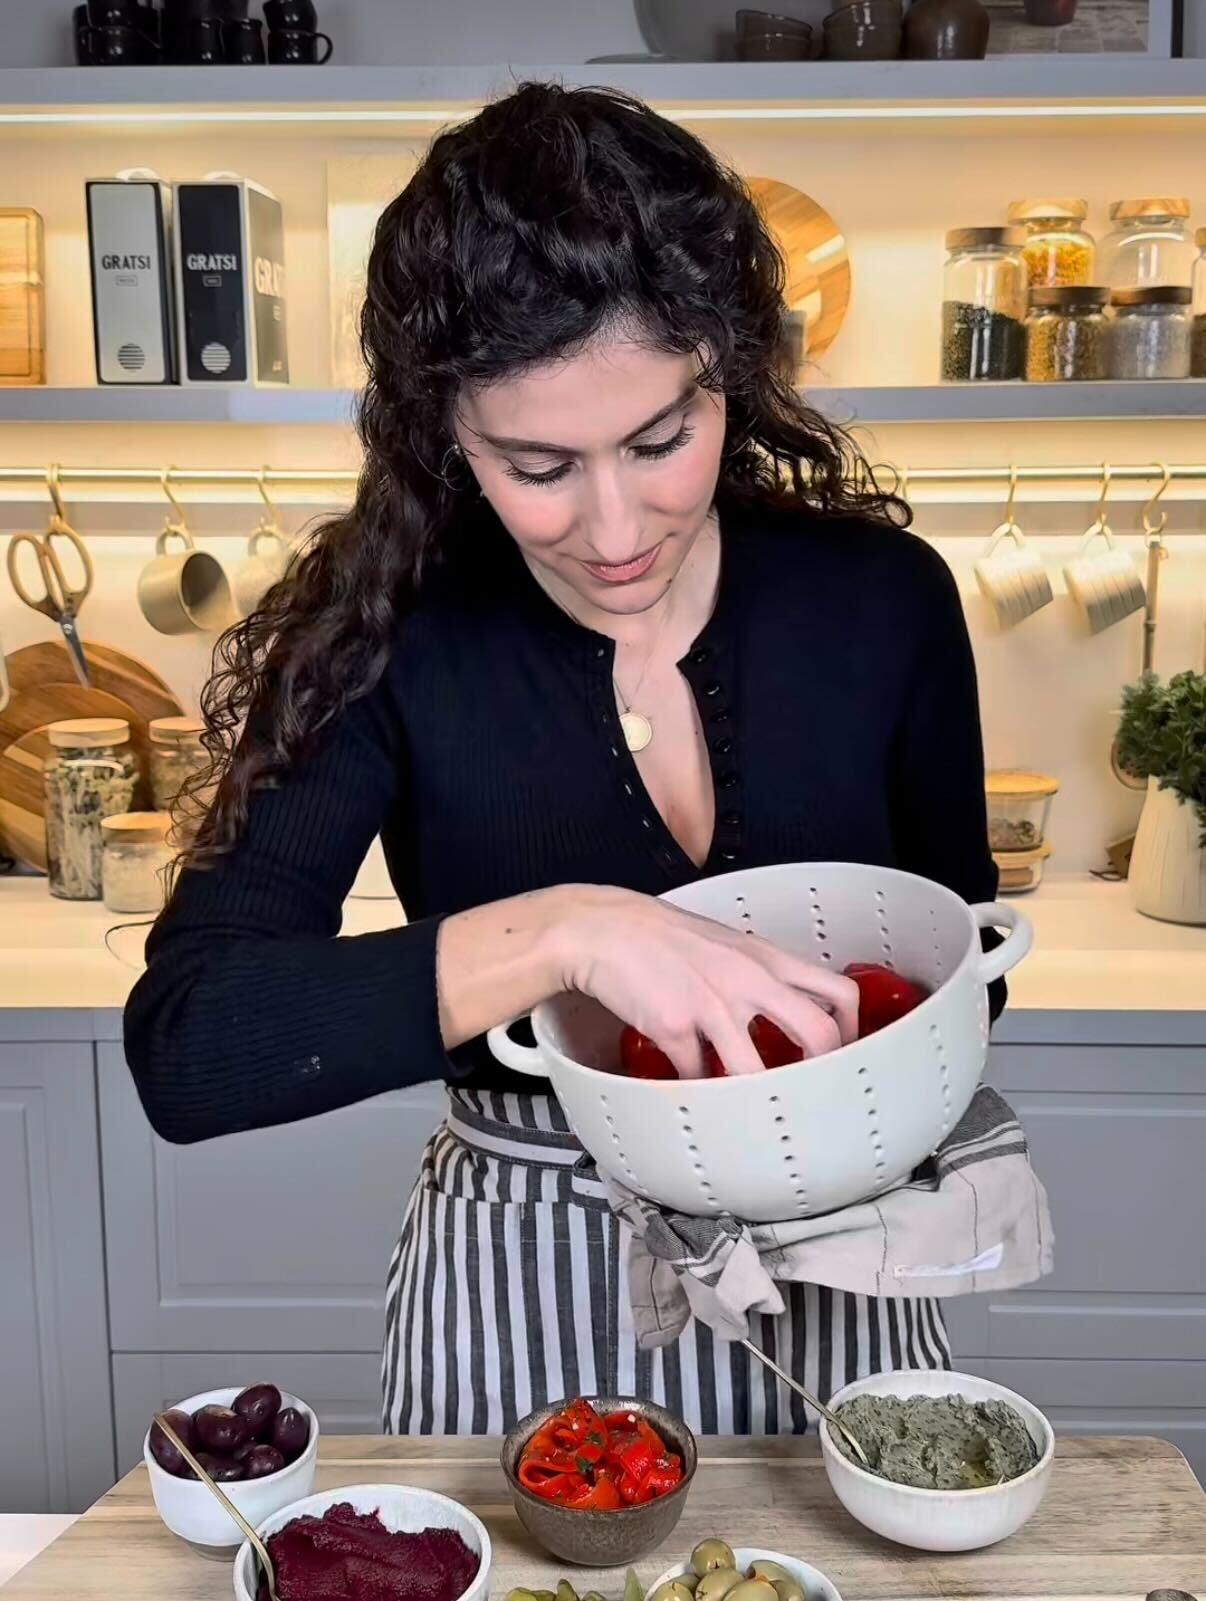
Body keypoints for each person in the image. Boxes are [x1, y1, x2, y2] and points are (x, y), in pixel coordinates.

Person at [125, 81, 1001, 1437]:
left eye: (659, 441)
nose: (611, 529)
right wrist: (568, 934)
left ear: (730, 371)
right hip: (522, 1278)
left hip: (846, 1257)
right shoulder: (385, 637)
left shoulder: (883, 601)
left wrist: (819, 1109)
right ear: (445, 438)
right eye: (537, 464)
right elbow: (191, 1048)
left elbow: (962, 958)